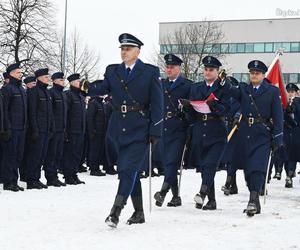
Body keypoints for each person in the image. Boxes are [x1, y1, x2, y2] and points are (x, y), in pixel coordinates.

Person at [91, 33, 163, 228]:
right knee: (127, 172)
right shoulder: (113, 71)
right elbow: (104, 87)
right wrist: (86, 87)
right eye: (122, 48)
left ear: (138, 51)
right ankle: (139, 212)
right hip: (117, 129)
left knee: (127, 169)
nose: (124, 52)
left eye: (128, 48)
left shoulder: (149, 72)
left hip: (140, 128)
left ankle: (115, 211)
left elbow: (157, 103)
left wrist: (156, 130)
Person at [227, 60, 283, 216]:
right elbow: (232, 92)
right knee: (247, 170)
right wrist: (223, 81)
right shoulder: (244, 89)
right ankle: (255, 201)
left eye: (257, 73)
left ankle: (252, 200)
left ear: (263, 75)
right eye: (251, 73)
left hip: (262, 133)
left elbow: (278, 116)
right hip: (245, 133)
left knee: (257, 167)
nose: (254, 75)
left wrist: (278, 136)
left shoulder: (271, 91)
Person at [183, 56, 230, 211]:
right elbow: (191, 113)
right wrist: (186, 107)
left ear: (217, 72)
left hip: (217, 130)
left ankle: (202, 193)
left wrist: (214, 105)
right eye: (206, 69)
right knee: (205, 166)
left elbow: (226, 110)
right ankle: (212, 200)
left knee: (210, 164)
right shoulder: (196, 88)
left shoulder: (223, 88)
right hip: (200, 130)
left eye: (211, 70)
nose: (208, 72)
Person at [154, 54, 191, 207]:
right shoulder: (160, 85)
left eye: (172, 67)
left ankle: (162, 192)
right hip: (164, 127)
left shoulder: (187, 85)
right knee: (169, 162)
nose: (169, 69)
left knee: (171, 161)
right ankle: (176, 197)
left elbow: (194, 107)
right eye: (167, 67)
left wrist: (186, 110)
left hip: (179, 128)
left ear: (179, 68)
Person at [25, 68, 53, 190]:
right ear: (39, 78)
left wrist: (51, 127)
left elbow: (50, 113)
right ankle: (31, 180)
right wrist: (35, 130)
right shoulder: (34, 92)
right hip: (38, 130)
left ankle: (36, 178)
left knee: (41, 156)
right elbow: (32, 113)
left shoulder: (46, 92)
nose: (48, 79)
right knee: (34, 156)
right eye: (46, 77)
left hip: (46, 130)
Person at [0, 63, 26, 191]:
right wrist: (6, 128)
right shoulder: (7, 89)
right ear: (10, 74)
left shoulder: (21, 90)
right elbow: (4, 110)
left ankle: (14, 180)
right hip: (11, 129)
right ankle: (7, 182)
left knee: (17, 156)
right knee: (9, 156)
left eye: (20, 73)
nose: (20, 74)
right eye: (17, 72)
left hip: (21, 129)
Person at [43, 72, 67, 187]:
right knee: (51, 154)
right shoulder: (51, 93)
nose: (63, 81)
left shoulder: (62, 94)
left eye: (63, 80)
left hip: (61, 129)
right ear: (55, 81)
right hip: (53, 129)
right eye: (61, 80)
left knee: (58, 154)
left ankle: (55, 176)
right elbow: (50, 113)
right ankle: (50, 177)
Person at [62, 73, 86, 185]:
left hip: (80, 130)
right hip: (71, 130)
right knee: (69, 153)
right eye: (77, 81)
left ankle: (74, 173)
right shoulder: (68, 95)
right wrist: (66, 130)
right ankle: (68, 175)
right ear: (71, 82)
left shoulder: (81, 97)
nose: (79, 83)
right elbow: (66, 114)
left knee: (77, 154)